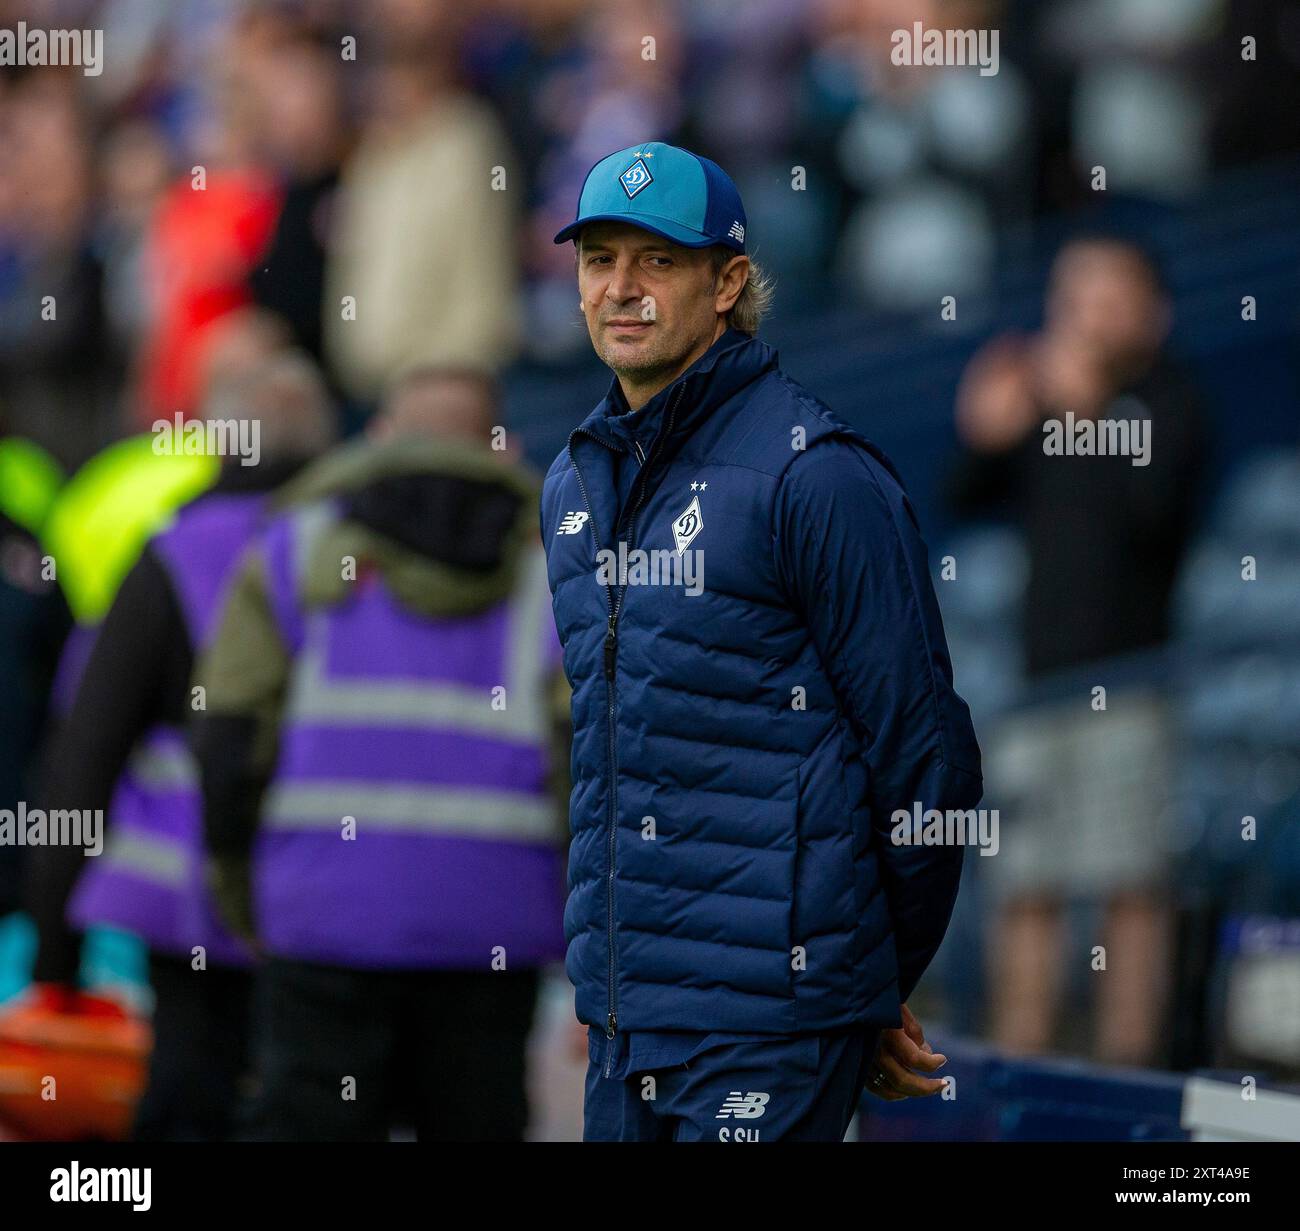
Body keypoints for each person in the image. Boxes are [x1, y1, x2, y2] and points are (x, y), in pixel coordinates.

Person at [542, 140, 983, 1142]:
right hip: (627, 1018)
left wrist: (866, 981)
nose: (620, 287)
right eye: (598, 258)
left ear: (728, 281)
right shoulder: (571, 483)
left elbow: (926, 756)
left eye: (656, 260)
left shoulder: (816, 473)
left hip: (772, 1021)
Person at [194, 368, 568, 1142]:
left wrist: (239, 887)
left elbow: (228, 736)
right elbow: (589, 766)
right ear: (502, 447)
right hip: (489, 929)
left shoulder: (293, 550)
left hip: (322, 922)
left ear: (380, 439)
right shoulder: (557, 574)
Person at [24, 350, 336, 1140]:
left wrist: (54, 950)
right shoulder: (361, 557)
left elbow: (85, 753)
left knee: (189, 1105)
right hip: (337, 908)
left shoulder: (177, 552)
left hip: (194, 913)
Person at [947, 237, 1209, 1066]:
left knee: (1132, 888)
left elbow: (1154, 509)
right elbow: (965, 493)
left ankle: (1131, 1066)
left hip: (1131, 686)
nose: (1083, 312)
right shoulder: (1045, 399)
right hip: (1035, 690)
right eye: (1071, 293)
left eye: (1105, 293)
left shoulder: (1168, 399)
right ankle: (1023, 1060)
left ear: (1150, 310)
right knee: (1026, 888)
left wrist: (1087, 407)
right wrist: (986, 427)